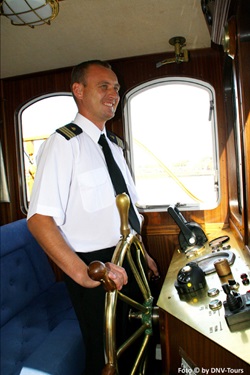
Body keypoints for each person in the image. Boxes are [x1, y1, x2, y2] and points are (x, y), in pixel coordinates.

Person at [27, 60, 159, 374]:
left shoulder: (114, 145)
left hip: (130, 257)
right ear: (79, 90)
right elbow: (39, 219)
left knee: (138, 338)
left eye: (116, 88)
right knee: (106, 355)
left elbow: (127, 213)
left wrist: (144, 255)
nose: (114, 93)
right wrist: (84, 274)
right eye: (104, 86)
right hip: (95, 265)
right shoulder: (62, 144)